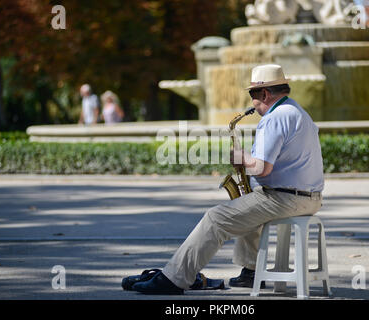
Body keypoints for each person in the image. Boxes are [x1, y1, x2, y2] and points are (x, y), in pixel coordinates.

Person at [131, 64, 324, 295]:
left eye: (253, 94)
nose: (252, 102)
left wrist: (242, 158)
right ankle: (252, 272)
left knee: (215, 218)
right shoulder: (297, 112)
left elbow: (262, 168)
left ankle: (174, 279)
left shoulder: (275, 118)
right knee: (248, 203)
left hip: (285, 198)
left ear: (265, 94)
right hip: (308, 198)